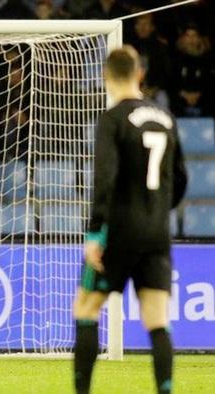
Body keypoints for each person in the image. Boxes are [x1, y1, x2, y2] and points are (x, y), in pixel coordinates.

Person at [72, 46, 187, 394]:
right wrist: (155, 211)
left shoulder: (112, 118)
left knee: (86, 308)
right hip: (156, 233)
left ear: (106, 77)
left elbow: (104, 179)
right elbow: (180, 179)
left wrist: (95, 234)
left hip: (119, 232)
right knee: (157, 319)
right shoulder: (166, 117)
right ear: (140, 74)